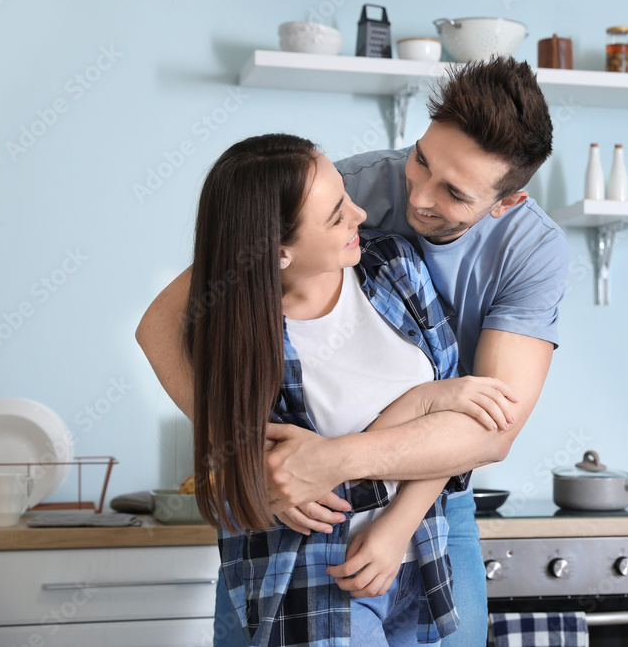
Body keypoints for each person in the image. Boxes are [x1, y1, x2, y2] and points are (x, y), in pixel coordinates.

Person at [135, 57, 569, 646]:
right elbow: (167, 321)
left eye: (453, 193)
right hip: (292, 524)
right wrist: (250, 457)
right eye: (420, 160)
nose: (416, 196)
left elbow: (489, 431)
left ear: (504, 203)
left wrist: (354, 483)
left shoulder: (528, 253)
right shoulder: (351, 186)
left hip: (432, 496)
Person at [179, 132, 521, 645]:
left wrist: (396, 526)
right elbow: (312, 481)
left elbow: (462, 419)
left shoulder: (395, 266)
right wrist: (422, 404)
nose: (361, 215)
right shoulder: (244, 342)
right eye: (337, 214)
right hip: (317, 578)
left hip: (423, 552)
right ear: (278, 254)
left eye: (347, 196)